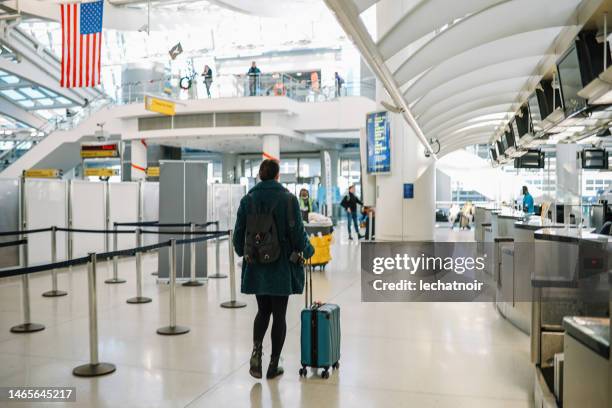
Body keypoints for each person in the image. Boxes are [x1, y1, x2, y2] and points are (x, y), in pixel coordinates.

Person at [233, 159, 314, 380]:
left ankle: (256, 353)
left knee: (262, 311)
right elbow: (298, 234)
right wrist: (308, 250)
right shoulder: (288, 199)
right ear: (277, 176)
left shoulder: (247, 200)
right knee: (279, 314)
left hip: (257, 265)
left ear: (260, 176)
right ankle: (273, 365)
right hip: (280, 267)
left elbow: (237, 238)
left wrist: (246, 253)